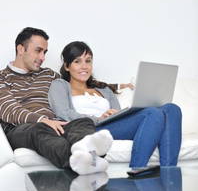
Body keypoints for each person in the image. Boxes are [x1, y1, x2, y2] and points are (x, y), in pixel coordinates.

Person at [0, 27, 133, 175]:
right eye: (38, 50)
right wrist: (43, 120)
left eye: (45, 52)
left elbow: (78, 80)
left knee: (83, 122)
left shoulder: (48, 74)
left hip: (56, 124)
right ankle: (86, 163)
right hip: (22, 128)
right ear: (20, 49)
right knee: (39, 129)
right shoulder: (2, 77)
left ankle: (90, 160)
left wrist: (119, 86)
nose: (43, 57)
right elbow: (8, 109)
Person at [48, 41, 182, 169]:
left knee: (172, 109)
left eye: (88, 61)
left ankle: (169, 173)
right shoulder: (60, 85)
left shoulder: (104, 89)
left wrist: (115, 114)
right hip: (89, 129)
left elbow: (117, 112)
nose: (84, 66)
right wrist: (98, 118)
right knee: (152, 113)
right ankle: (136, 171)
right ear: (67, 66)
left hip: (112, 125)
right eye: (77, 61)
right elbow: (64, 113)